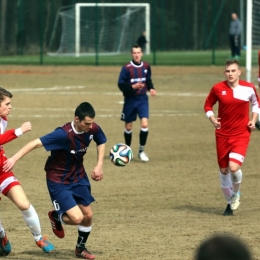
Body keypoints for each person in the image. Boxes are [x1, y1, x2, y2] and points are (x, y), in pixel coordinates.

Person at [3, 102, 106, 259]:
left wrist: (99, 165)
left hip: (79, 176)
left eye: (91, 123)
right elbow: (35, 143)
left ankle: (80, 248)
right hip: (58, 179)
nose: (90, 126)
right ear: (77, 119)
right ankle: (56, 216)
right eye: (86, 123)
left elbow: (101, 140)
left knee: (88, 216)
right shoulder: (63, 134)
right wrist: (14, 159)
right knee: (77, 218)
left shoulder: (92, 128)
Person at [0, 87, 54, 255]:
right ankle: (2, 236)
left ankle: (39, 238)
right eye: (7, 104)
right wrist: (19, 131)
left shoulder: (3, 120)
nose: (10, 107)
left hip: (2, 170)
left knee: (23, 203)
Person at [204, 59, 259, 216]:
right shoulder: (217, 88)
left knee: (233, 167)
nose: (230, 74)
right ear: (224, 73)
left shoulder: (248, 88)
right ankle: (230, 202)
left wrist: (253, 121)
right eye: (228, 71)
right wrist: (213, 119)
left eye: (233, 71)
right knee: (223, 170)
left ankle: (236, 193)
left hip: (241, 134)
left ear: (239, 72)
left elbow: (256, 104)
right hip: (222, 134)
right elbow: (208, 105)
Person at [117, 44, 156, 162]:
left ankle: (141, 151)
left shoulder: (146, 66)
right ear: (131, 54)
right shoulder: (127, 68)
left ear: (142, 54)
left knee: (144, 124)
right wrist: (132, 86)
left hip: (142, 99)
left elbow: (148, 79)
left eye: (138, 52)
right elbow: (120, 84)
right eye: (134, 53)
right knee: (128, 127)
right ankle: (127, 151)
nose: (136, 55)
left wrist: (151, 88)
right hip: (130, 100)